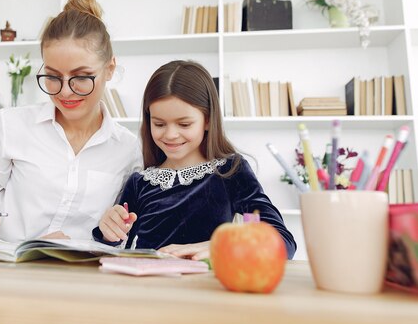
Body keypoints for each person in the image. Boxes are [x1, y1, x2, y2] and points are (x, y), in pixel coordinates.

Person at [0, 0, 140, 324]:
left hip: (70, 286)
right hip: (6, 271)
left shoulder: (129, 150)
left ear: (109, 70)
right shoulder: (12, 125)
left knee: (33, 322)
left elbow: (121, 235)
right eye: (53, 77)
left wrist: (77, 242)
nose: (65, 92)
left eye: (81, 77)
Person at [93, 60, 297, 260]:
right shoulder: (140, 182)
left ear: (207, 120)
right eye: (159, 124)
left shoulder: (230, 171)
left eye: (184, 124)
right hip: (147, 288)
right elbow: (114, 246)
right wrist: (107, 231)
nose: (171, 134)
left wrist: (223, 246)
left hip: (206, 289)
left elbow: (282, 242)